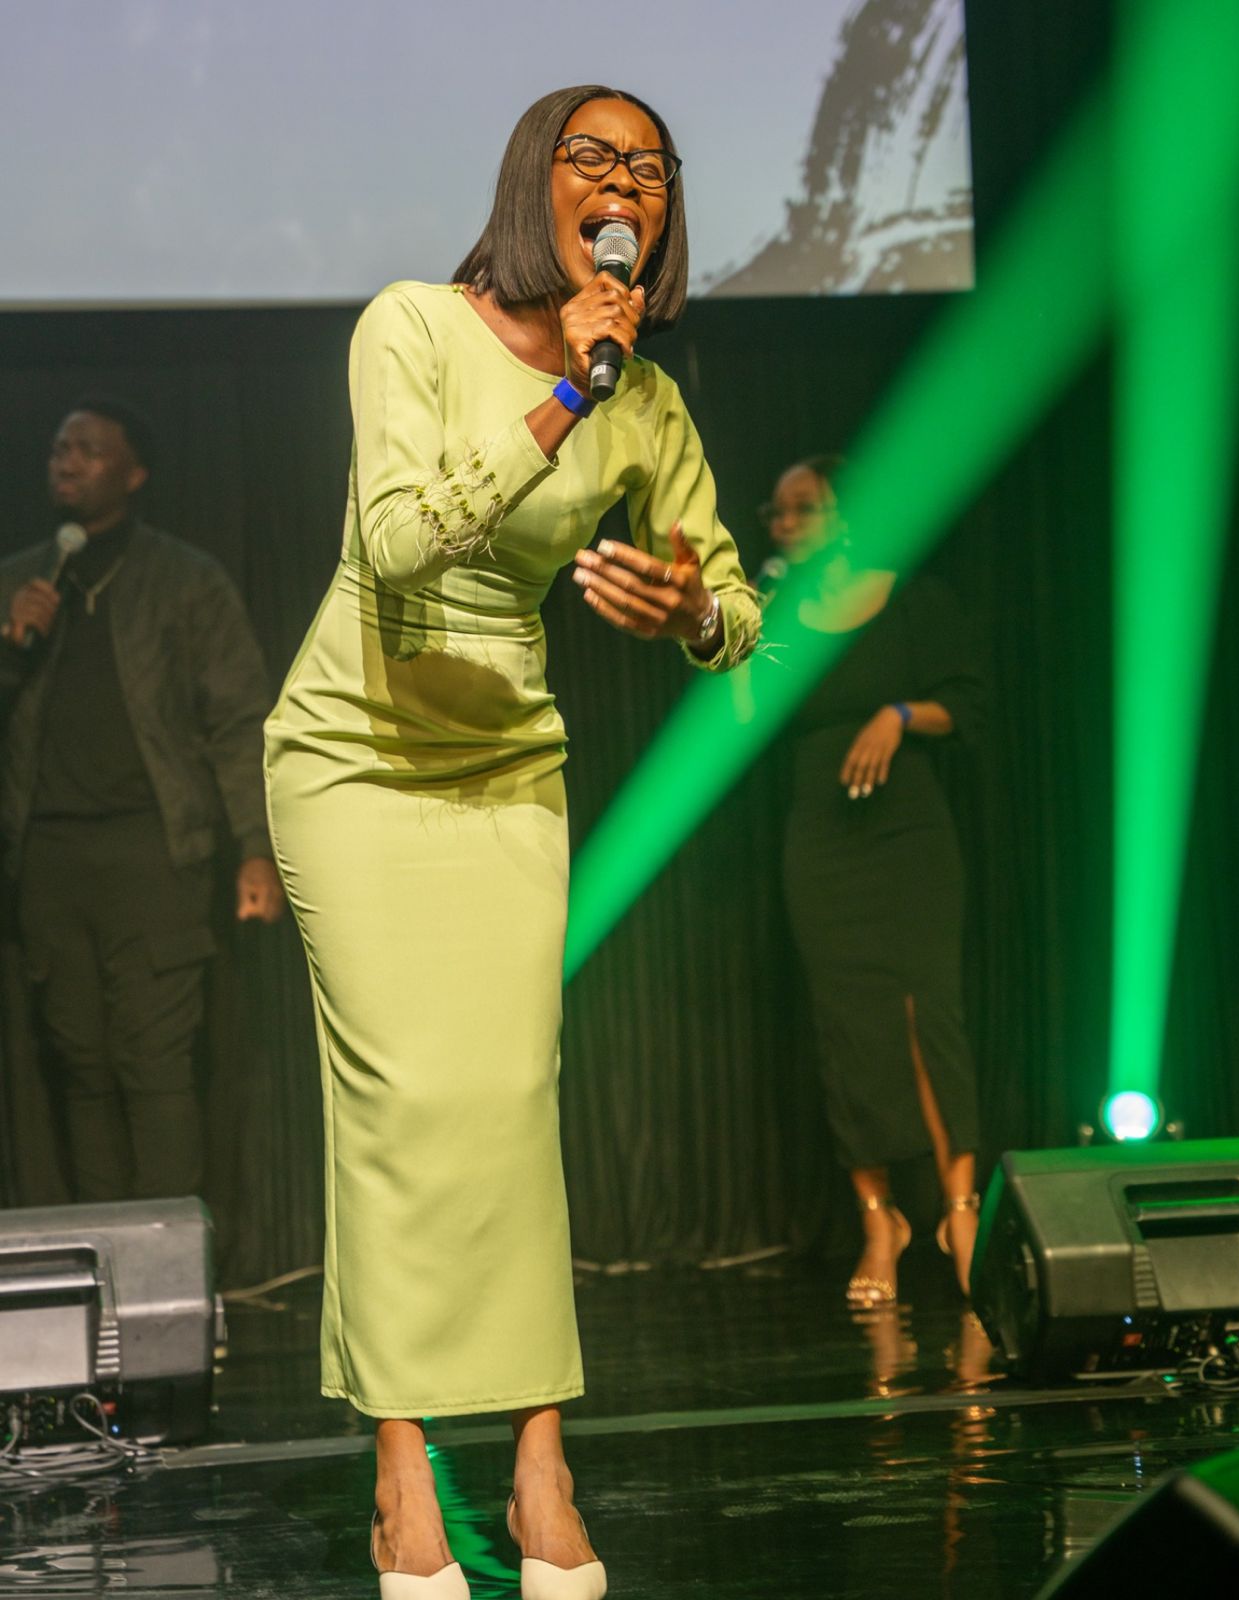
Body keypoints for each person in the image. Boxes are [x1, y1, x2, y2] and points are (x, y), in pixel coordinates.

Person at [264, 86, 759, 1599]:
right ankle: (401, 1472)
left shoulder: (648, 403)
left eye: (649, 169)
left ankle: (543, 1462)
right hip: (354, 755)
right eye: (592, 158)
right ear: (535, 182)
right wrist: (562, 399)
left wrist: (693, 612)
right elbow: (399, 541)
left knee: (509, 1094)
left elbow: (741, 610)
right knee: (401, 1100)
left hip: (504, 765)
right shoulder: (412, 326)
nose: (623, 185)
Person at [0, 397, 285, 1204]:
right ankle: (110, 1263)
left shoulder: (185, 579)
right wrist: (10, 649)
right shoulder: (18, 582)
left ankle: (172, 1268)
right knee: (81, 1068)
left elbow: (238, 721)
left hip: (154, 857)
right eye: (59, 447)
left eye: (87, 449)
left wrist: (255, 846)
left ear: (134, 473)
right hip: (48, 862)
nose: (64, 460)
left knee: (154, 1063)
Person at [761, 456, 984, 1309]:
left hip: (909, 838)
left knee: (931, 1013)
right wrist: (725, 628)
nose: (784, 524)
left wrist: (897, 715)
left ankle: (959, 1212)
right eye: (777, 513)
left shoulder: (915, 599)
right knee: (847, 1024)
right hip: (822, 842)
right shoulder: (776, 614)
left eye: (802, 508)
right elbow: (743, 717)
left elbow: (969, 705)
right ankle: (879, 1222)